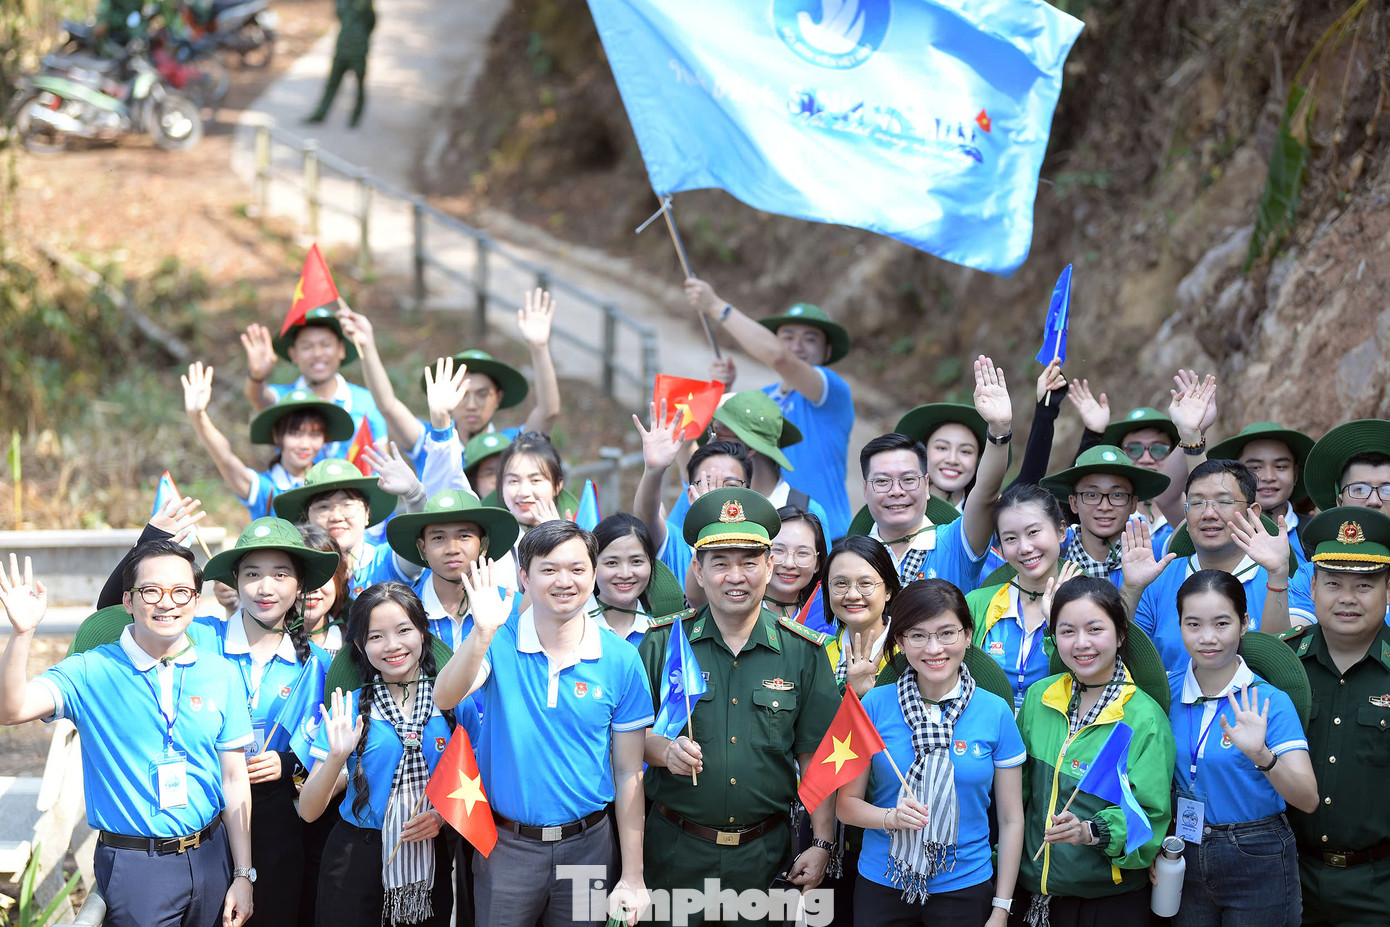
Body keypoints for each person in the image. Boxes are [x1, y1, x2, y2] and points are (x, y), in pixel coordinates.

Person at [0, 544, 255, 927]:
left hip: (211, 854)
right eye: (151, 591)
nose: (166, 602)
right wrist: (22, 633)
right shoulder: (90, 671)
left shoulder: (221, 673)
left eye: (180, 591)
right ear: (128, 601)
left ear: (195, 600)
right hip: (138, 867)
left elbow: (234, 778)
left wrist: (243, 873)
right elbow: (11, 710)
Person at [638, 488, 840, 926]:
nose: (736, 576)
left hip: (764, 856)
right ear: (698, 569)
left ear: (769, 566)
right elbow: (631, 741)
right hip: (676, 852)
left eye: (749, 562)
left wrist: (822, 842)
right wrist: (666, 751)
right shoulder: (663, 644)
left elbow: (817, 756)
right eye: (720, 563)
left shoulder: (803, 652)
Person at [434, 521, 652, 926]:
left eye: (577, 569)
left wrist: (633, 876)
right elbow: (445, 697)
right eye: (548, 569)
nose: (564, 581)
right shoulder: (498, 640)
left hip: (589, 847)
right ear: (525, 577)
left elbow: (628, 773)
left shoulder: (621, 659)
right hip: (507, 847)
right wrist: (481, 633)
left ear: (593, 574)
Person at [837, 579, 1025, 927]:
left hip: (965, 884)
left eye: (947, 633)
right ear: (900, 641)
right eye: (918, 635)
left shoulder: (996, 712)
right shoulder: (874, 705)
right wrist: (890, 818)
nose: (934, 648)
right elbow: (846, 805)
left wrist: (1001, 908)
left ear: (968, 636)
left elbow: (1011, 820)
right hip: (883, 882)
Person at [197, 517, 341, 927]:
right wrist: (153, 535)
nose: (265, 587)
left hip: (276, 824)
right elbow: (115, 617)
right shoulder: (200, 639)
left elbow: (332, 753)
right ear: (235, 581)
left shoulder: (319, 666)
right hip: (202, 816)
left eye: (280, 574)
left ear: (299, 585)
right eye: (252, 574)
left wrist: (290, 763)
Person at [1015, 577, 1175, 925]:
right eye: (1067, 631)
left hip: (1107, 900)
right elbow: (1016, 796)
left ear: (1120, 635)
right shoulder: (1039, 698)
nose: (1081, 643)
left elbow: (1150, 819)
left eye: (1095, 629)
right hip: (1030, 893)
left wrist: (1091, 831)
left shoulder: (1144, 717)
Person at [1165, 569, 1317, 927]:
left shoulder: (1269, 701)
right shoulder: (1166, 692)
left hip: (1256, 851)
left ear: (1244, 623)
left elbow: (1308, 798)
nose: (1208, 638)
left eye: (1222, 623)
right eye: (1193, 624)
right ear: (1180, 625)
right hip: (1183, 848)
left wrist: (1262, 756)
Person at [300, 584, 456, 926]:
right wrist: (337, 757)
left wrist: (442, 816)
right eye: (376, 637)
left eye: (403, 630)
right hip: (355, 862)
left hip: (428, 857)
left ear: (423, 632)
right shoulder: (348, 709)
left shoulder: (452, 702)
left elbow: (471, 780)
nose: (392, 645)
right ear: (360, 645)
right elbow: (309, 811)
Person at [1278, 507, 1390, 927]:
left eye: (1364, 585)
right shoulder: (1283, 664)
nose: (1347, 598)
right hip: (1288, 875)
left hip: (1379, 885)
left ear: (1388, 590)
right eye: (1333, 583)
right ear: (1312, 587)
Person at [684, 278, 854, 539]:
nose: (796, 347)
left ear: (827, 350)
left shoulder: (832, 390)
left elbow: (780, 358)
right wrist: (723, 390)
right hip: (771, 533)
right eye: (787, 337)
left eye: (810, 339)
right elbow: (720, 446)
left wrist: (716, 306)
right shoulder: (764, 398)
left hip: (829, 535)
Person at [337, 291, 560, 479]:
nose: (471, 405)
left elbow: (548, 412)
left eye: (482, 394)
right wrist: (367, 347)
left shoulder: (511, 445)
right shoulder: (431, 442)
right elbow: (387, 406)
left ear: (498, 397)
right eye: (462, 394)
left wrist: (539, 347)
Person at [859, 355, 1013, 591]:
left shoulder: (954, 544)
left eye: (908, 479)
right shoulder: (854, 556)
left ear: (926, 485)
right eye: (882, 481)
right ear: (865, 489)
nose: (896, 491)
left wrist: (999, 429)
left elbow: (985, 494)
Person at [1134, 460, 1293, 673]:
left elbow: (1283, 667)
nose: (1209, 513)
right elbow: (1127, 657)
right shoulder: (1158, 580)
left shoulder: (1281, 582)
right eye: (1197, 503)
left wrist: (1277, 575)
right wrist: (1131, 589)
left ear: (1252, 512)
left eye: (1224, 502)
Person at [184, 361, 356, 519]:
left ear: (325, 439)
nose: (305, 445)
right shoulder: (266, 489)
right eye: (295, 434)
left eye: (314, 435)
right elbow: (225, 459)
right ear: (277, 436)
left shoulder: (329, 485)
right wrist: (198, 415)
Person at [1074, 371, 1218, 555]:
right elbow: (1077, 484)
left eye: (1158, 450)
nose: (1146, 459)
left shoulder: (1187, 507)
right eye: (1134, 450)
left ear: (1174, 452)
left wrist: (1194, 432)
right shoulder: (1100, 515)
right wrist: (1092, 435)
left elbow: (1205, 509)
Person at [241, 307, 388, 462]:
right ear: (293, 354)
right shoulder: (285, 400)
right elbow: (258, 398)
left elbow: (383, 457)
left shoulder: (366, 401)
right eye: (307, 346)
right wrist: (256, 377)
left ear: (341, 349)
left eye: (326, 344)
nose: (317, 354)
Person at [273, 454, 428, 596]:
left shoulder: (384, 561)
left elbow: (414, 553)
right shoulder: (296, 571)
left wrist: (415, 496)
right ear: (307, 518)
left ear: (367, 514)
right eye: (323, 507)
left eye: (347, 504)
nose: (336, 516)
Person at [383, 490, 519, 652]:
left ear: (484, 545)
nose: (452, 549)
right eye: (438, 538)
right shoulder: (400, 611)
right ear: (422, 547)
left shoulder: (512, 607)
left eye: (464, 536)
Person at [1286, 419, 1390, 626]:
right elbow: (1291, 636)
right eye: (1359, 489)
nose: (1374, 500)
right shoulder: (1312, 573)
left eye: (1387, 489)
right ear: (1339, 501)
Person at [1037, 445, 1172, 587]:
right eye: (1092, 495)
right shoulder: (1052, 555)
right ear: (1074, 503)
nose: (1105, 507)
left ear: (1133, 503)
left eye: (1117, 495)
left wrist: (1188, 443)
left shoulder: (1151, 553)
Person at [1207, 422, 1315, 565]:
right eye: (1255, 468)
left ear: (1295, 474)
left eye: (1280, 466)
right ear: (1234, 476)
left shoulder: (1316, 535)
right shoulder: (1217, 531)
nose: (1268, 477)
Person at [821, 535, 902, 697]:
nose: (852, 595)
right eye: (841, 583)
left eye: (865, 583)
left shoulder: (909, 651)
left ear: (888, 590)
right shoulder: (817, 654)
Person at [587, 512, 674, 645]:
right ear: (592, 566)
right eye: (612, 563)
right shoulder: (571, 627)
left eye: (636, 561)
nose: (625, 574)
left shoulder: (664, 637)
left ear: (651, 564)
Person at [305, 0, 376, 126]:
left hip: (358, 50)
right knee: (332, 84)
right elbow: (339, 15)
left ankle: (355, 118)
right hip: (342, 48)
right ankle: (319, 114)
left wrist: (360, 37)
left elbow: (371, 21)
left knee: (359, 86)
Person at [764, 505, 827, 626]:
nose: (789, 564)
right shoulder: (737, 614)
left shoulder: (828, 621)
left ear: (818, 563)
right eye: (779, 550)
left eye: (802, 553)